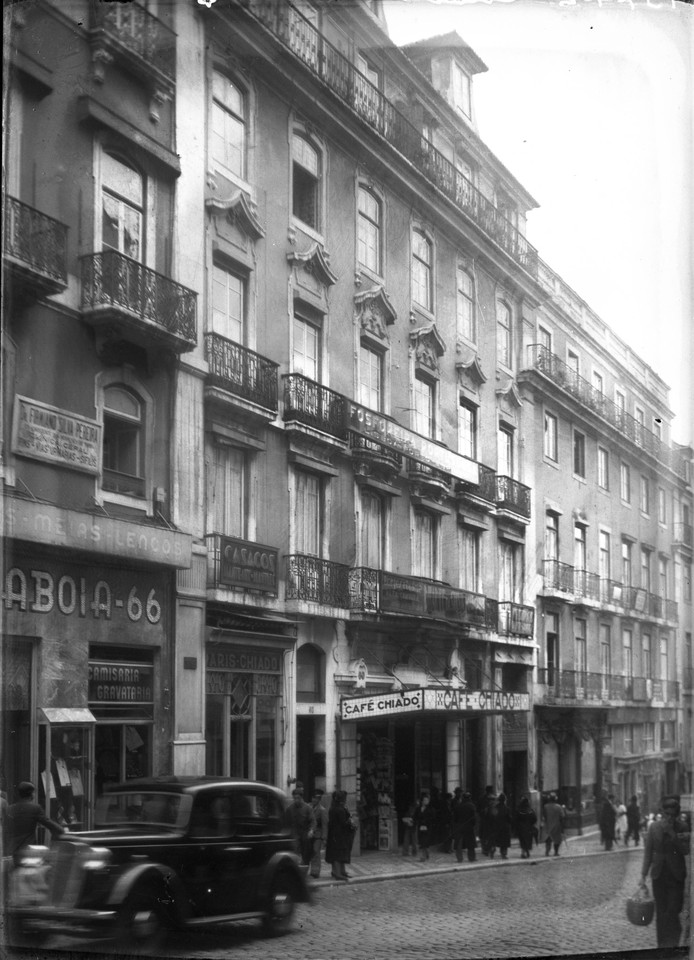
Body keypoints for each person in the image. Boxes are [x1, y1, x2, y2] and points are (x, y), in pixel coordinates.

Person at [641, 795, 689, 949]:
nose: (669, 818)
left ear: (676, 814)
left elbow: (685, 850)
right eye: (666, 814)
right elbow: (648, 852)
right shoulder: (654, 827)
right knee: (661, 912)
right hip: (659, 875)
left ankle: (673, 943)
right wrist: (643, 875)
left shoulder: (682, 827)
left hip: (676, 875)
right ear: (661, 812)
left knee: (673, 910)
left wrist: (672, 834)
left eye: (672, 815)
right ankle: (662, 945)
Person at [4, 782, 65, 865]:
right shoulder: (35, 808)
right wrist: (62, 830)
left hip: (13, 853)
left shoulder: (10, 809)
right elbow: (49, 823)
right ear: (31, 794)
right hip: (28, 852)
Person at [325, 790, 355, 881]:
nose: (345, 800)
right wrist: (350, 823)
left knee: (341, 853)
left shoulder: (337, 807)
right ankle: (337, 873)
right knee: (338, 854)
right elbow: (343, 822)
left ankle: (341, 871)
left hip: (338, 834)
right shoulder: (338, 809)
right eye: (344, 798)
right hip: (338, 834)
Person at [284, 787, 315, 866]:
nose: (296, 800)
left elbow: (312, 821)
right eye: (294, 798)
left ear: (301, 797)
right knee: (295, 851)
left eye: (298, 798)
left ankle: (305, 868)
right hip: (295, 833)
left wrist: (311, 830)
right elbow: (286, 822)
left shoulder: (308, 808)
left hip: (305, 833)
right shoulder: (290, 809)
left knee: (306, 853)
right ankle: (296, 869)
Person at [309, 788, 328, 879]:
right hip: (310, 834)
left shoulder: (322, 810)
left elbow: (324, 825)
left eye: (316, 798)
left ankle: (316, 872)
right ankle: (312, 870)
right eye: (313, 798)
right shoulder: (309, 807)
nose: (314, 800)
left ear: (319, 799)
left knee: (316, 852)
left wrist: (324, 838)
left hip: (318, 835)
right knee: (311, 852)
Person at [413, 791, 435, 862]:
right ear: (422, 801)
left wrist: (426, 822)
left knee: (425, 842)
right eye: (425, 800)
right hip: (420, 827)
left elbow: (433, 818)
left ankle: (423, 856)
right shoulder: (418, 809)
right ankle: (426, 854)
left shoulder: (431, 809)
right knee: (422, 842)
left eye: (427, 800)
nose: (426, 801)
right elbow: (415, 817)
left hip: (428, 827)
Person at [491, 792, 513, 860]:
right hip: (505, 827)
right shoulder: (507, 809)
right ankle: (503, 854)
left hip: (497, 826)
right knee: (504, 842)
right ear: (504, 800)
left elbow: (492, 817)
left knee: (496, 840)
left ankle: (493, 849)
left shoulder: (495, 808)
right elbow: (509, 819)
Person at [478, 786, 496, 857]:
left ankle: (486, 848)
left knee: (484, 835)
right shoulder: (494, 799)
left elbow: (478, 809)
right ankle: (488, 848)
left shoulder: (482, 798)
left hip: (485, 820)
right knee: (488, 835)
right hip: (489, 820)